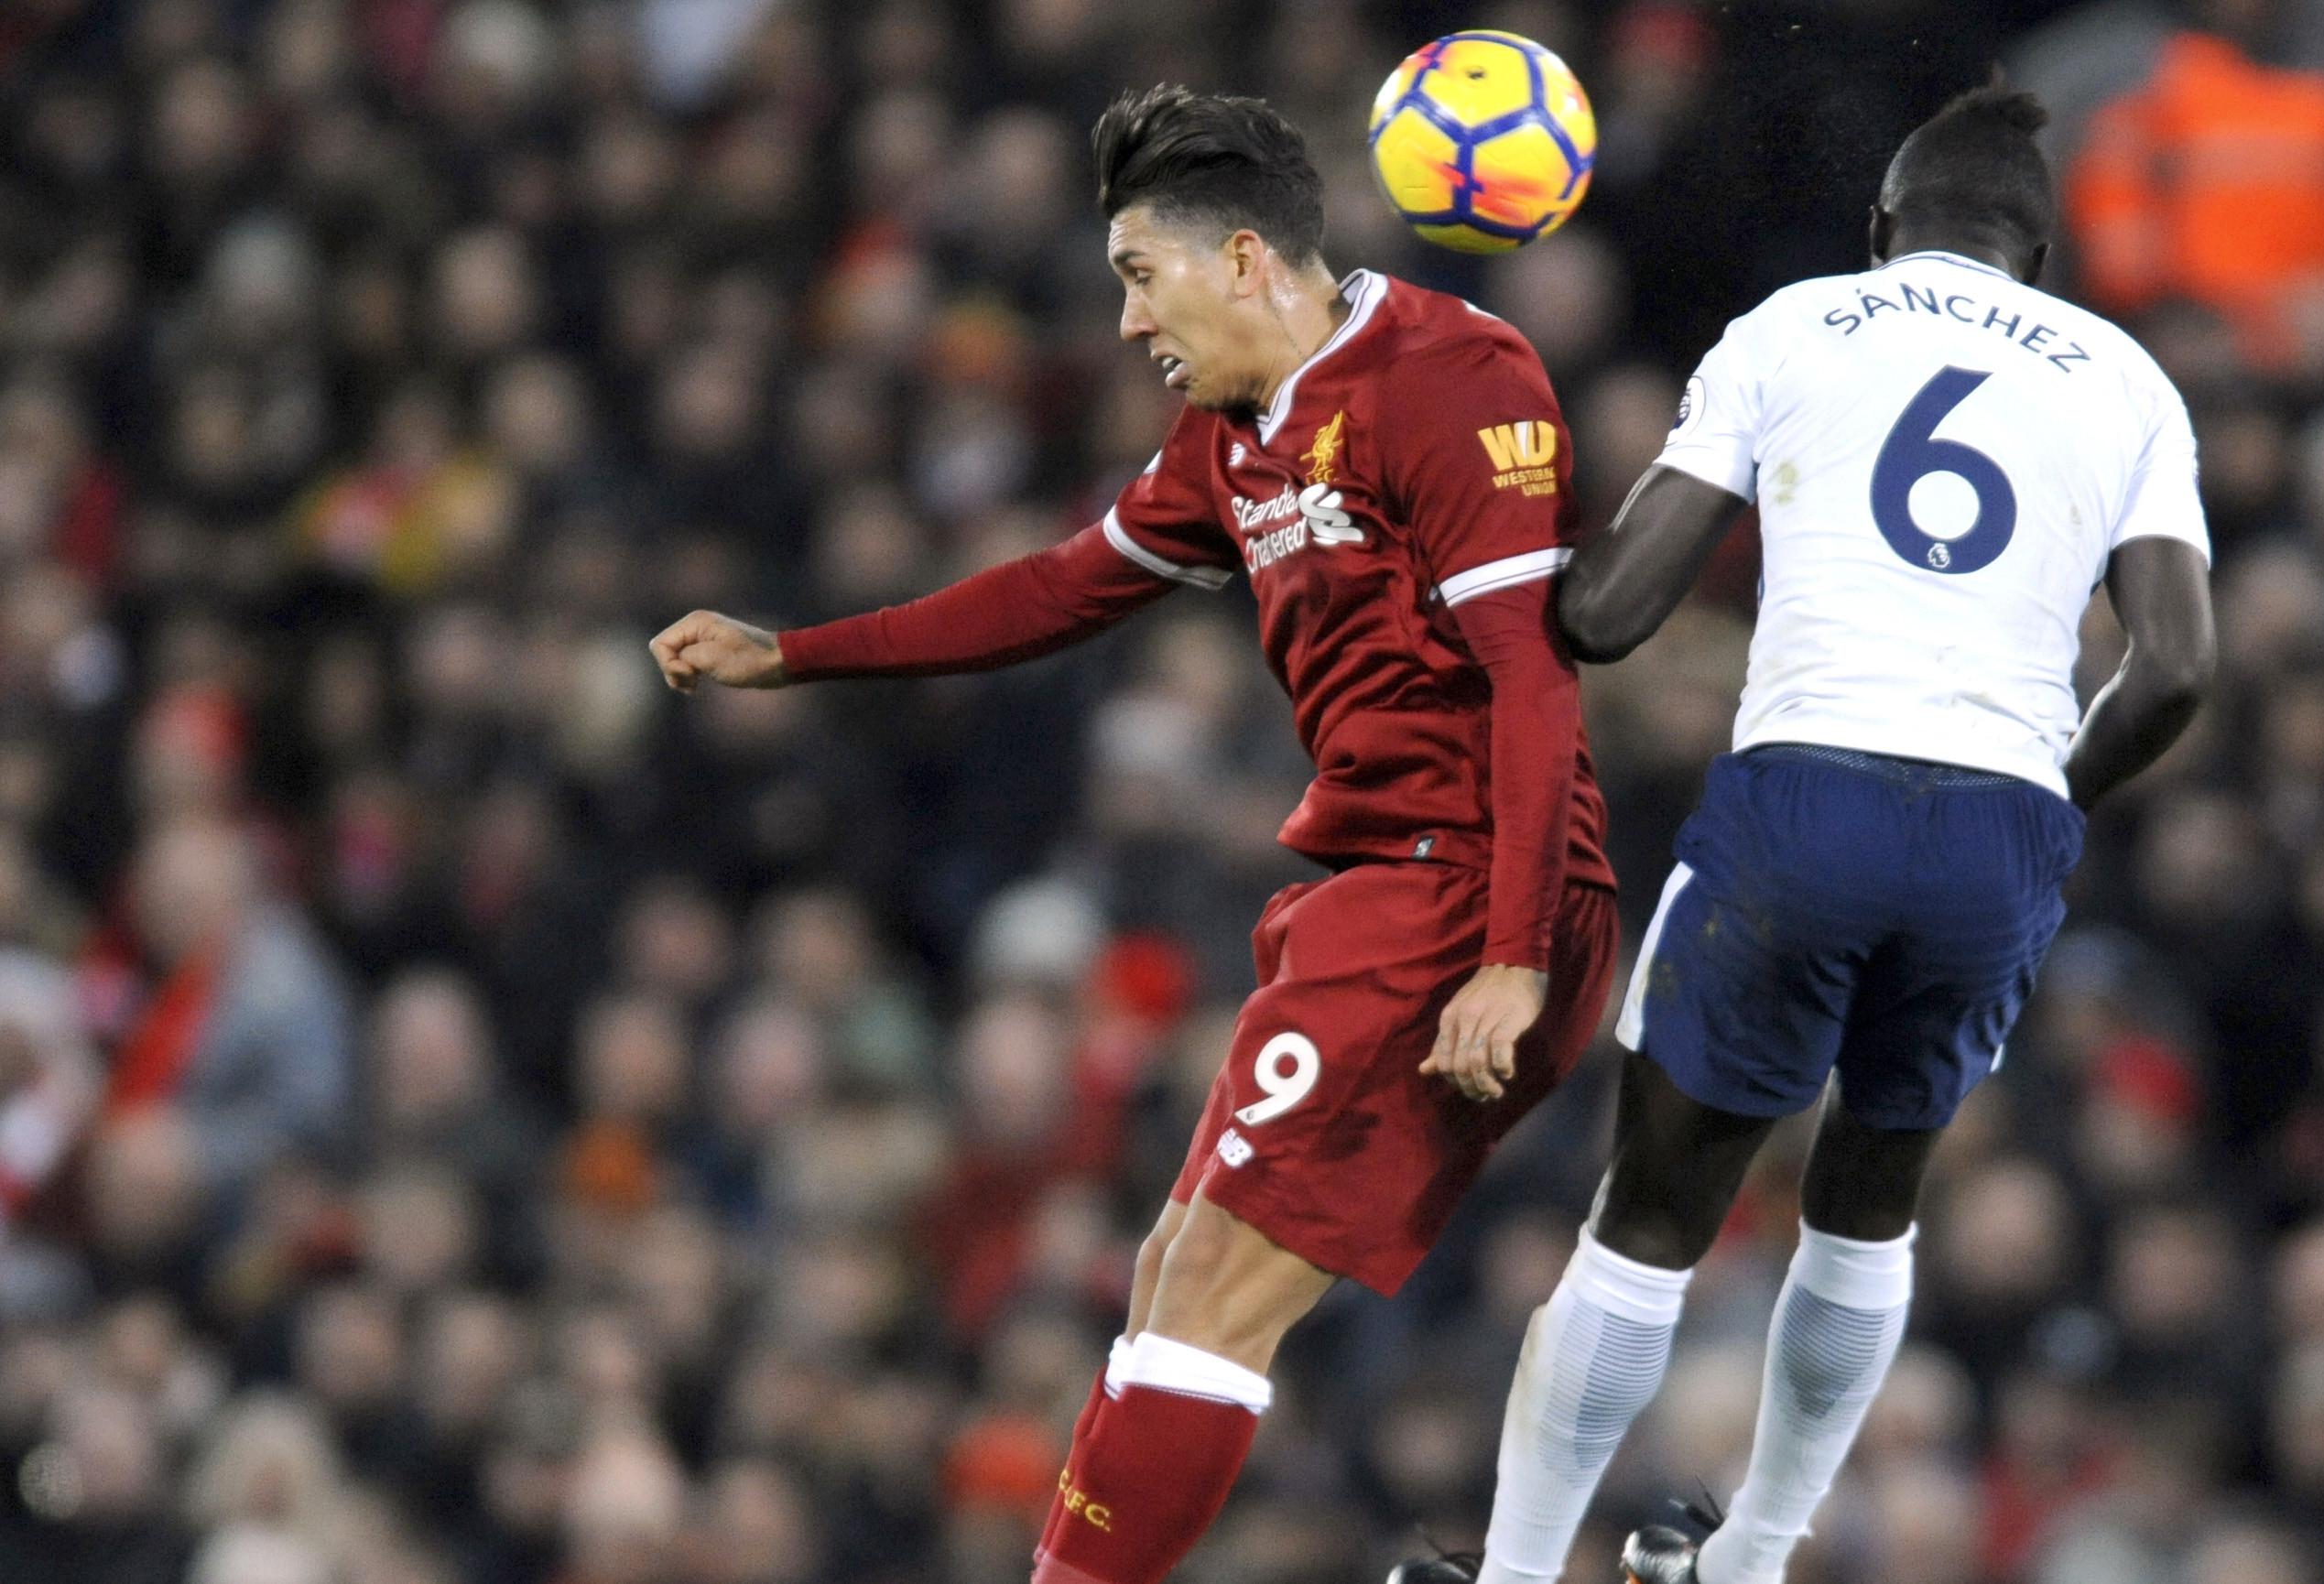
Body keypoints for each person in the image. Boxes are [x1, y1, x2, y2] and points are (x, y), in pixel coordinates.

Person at [646, 85, 1621, 1584]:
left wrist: (1510, 956)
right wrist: (796, 652)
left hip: (1466, 893)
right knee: (1171, 1268)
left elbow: (1529, 677)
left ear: (1242, 260)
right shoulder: (1228, 440)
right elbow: (1052, 589)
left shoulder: (1452, 373)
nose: (1122, 324)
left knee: (1214, 1286)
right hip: (1381, 895)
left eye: (1136, 276)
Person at [1392, 84, 2215, 1584]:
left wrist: (1506, 561)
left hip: (1807, 791)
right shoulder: (2127, 380)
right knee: (1864, 1206)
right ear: (2035, 256)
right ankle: (1756, 1556)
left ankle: (1514, 1573)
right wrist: (2048, 788)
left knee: (1647, 1217)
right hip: (2000, 822)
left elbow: (1614, 611)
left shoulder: (1799, 325)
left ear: (1882, 229)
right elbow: (2172, 666)